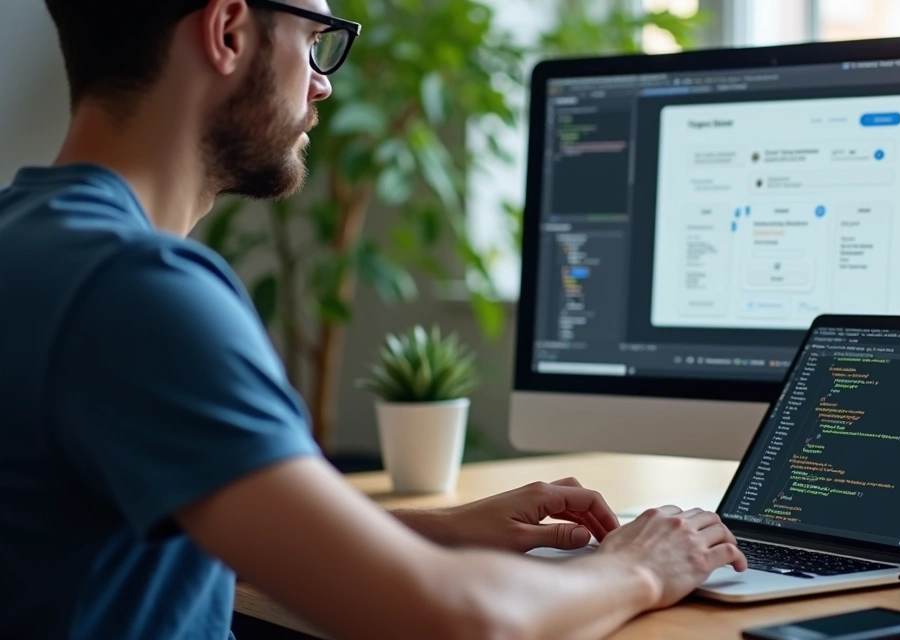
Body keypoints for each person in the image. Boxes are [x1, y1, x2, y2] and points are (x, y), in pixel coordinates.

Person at [0, 1, 747, 638]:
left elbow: (165, 534)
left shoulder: (31, 241)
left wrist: (437, 531)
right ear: (228, 30)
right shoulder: (136, 290)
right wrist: (640, 567)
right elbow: (455, 621)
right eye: (315, 40)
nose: (324, 83)